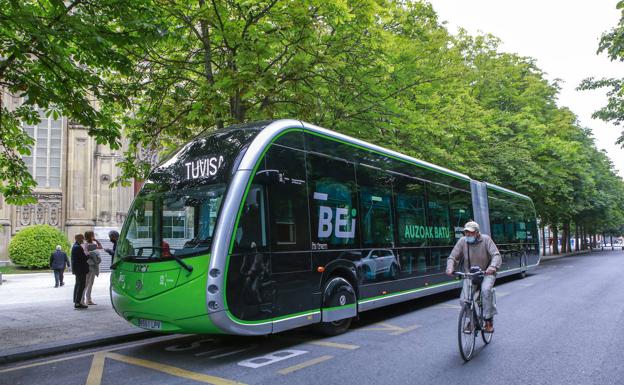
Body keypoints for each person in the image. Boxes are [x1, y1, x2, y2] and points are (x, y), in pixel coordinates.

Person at [446, 221, 501, 333]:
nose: (467, 235)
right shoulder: (462, 242)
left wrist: (492, 267)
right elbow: (452, 257)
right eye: (466, 232)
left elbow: (496, 255)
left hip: (486, 273)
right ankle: (472, 322)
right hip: (470, 274)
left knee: (486, 290)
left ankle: (488, 321)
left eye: (470, 232)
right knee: (463, 300)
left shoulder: (486, 240)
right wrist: (450, 267)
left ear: (477, 233)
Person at [82, 230, 102, 306]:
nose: (93, 236)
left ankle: (89, 299)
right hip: (88, 265)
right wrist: (93, 253)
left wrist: (96, 240)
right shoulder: (85, 244)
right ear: (90, 235)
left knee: (91, 283)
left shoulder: (93, 243)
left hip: (93, 265)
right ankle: (82, 300)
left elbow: (100, 247)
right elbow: (85, 253)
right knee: (86, 283)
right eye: (92, 235)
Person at [71, 234, 89, 309]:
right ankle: (77, 303)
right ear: (79, 239)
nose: (83, 239)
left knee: (78, 284)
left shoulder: (75, 246)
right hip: (80, 269)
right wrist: (88, 254)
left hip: (77, 269)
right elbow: (84, 258)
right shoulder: (78, 247)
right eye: (82, 238)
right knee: (81, 285)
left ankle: (76, 301)